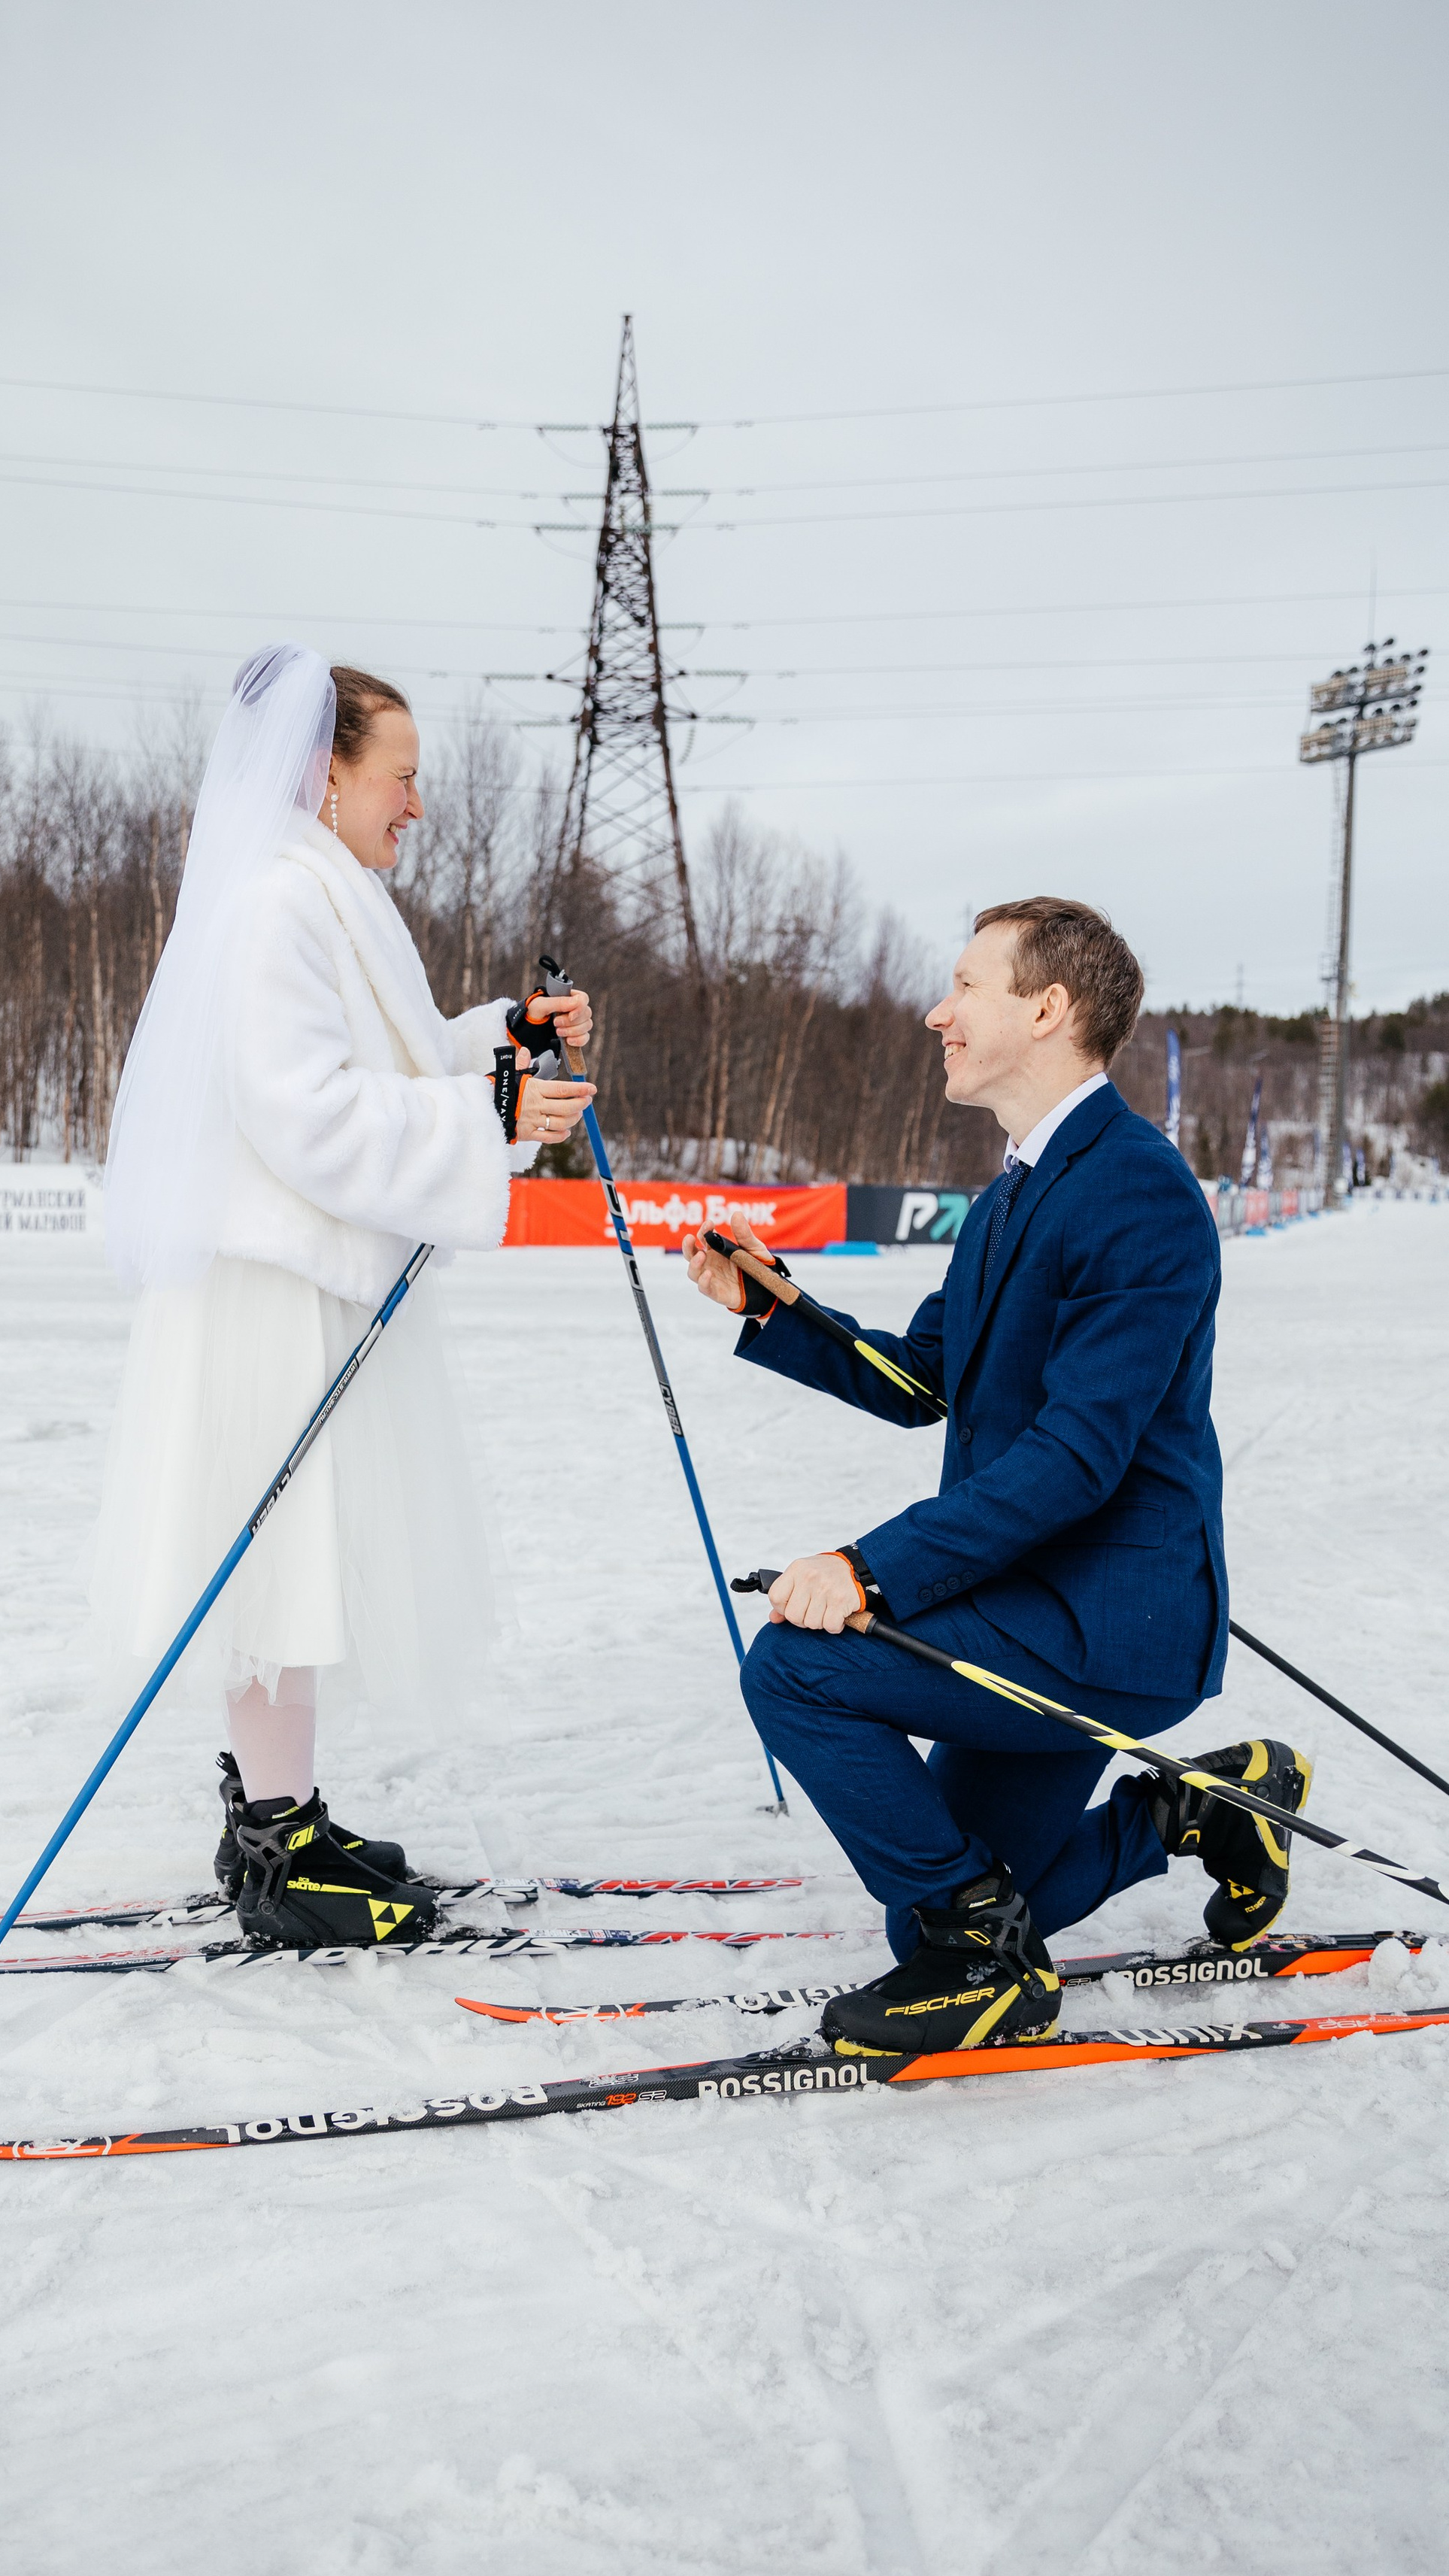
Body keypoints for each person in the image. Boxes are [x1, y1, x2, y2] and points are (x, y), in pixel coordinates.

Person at [683, 897, 1307, 2057]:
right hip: (1030, 1593)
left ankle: (987, 1962)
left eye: (967, 985)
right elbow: (927, 1376)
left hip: (1109, 1620)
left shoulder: (1135, 1190)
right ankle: (1203, 1809)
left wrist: (868, 1571)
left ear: (1049, 1008)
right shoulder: (1016, 1188)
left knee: (800, 1671)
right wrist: (779, 1308)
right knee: (933, 1901)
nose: (939, 1012)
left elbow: (1077, 1458)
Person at [92, 645, 593, 1944]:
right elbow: (303, 1112)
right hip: (266, 1295)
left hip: (302, 1285)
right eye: (402, 777)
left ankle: (286, 1815)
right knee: (273, 1568)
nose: (416, 805)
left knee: (295, 1565)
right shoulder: (275, 901)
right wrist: (487, 1109)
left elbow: (393, 1061)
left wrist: (503, 1040)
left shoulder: (326, 891)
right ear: (326, 775)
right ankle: (274, 1843)